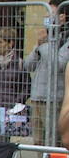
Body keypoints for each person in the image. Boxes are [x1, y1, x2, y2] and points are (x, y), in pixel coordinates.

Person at [25, 10, 67, 146]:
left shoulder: (65, 40)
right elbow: (28, 66)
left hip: (53, 99)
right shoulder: (46, 39)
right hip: (37, 97)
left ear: (62, 16)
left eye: (51, 13)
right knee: (38, 141)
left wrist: (44, 45)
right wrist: (38, 47)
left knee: (52, 141)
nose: (47, 17)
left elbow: (59, 65)